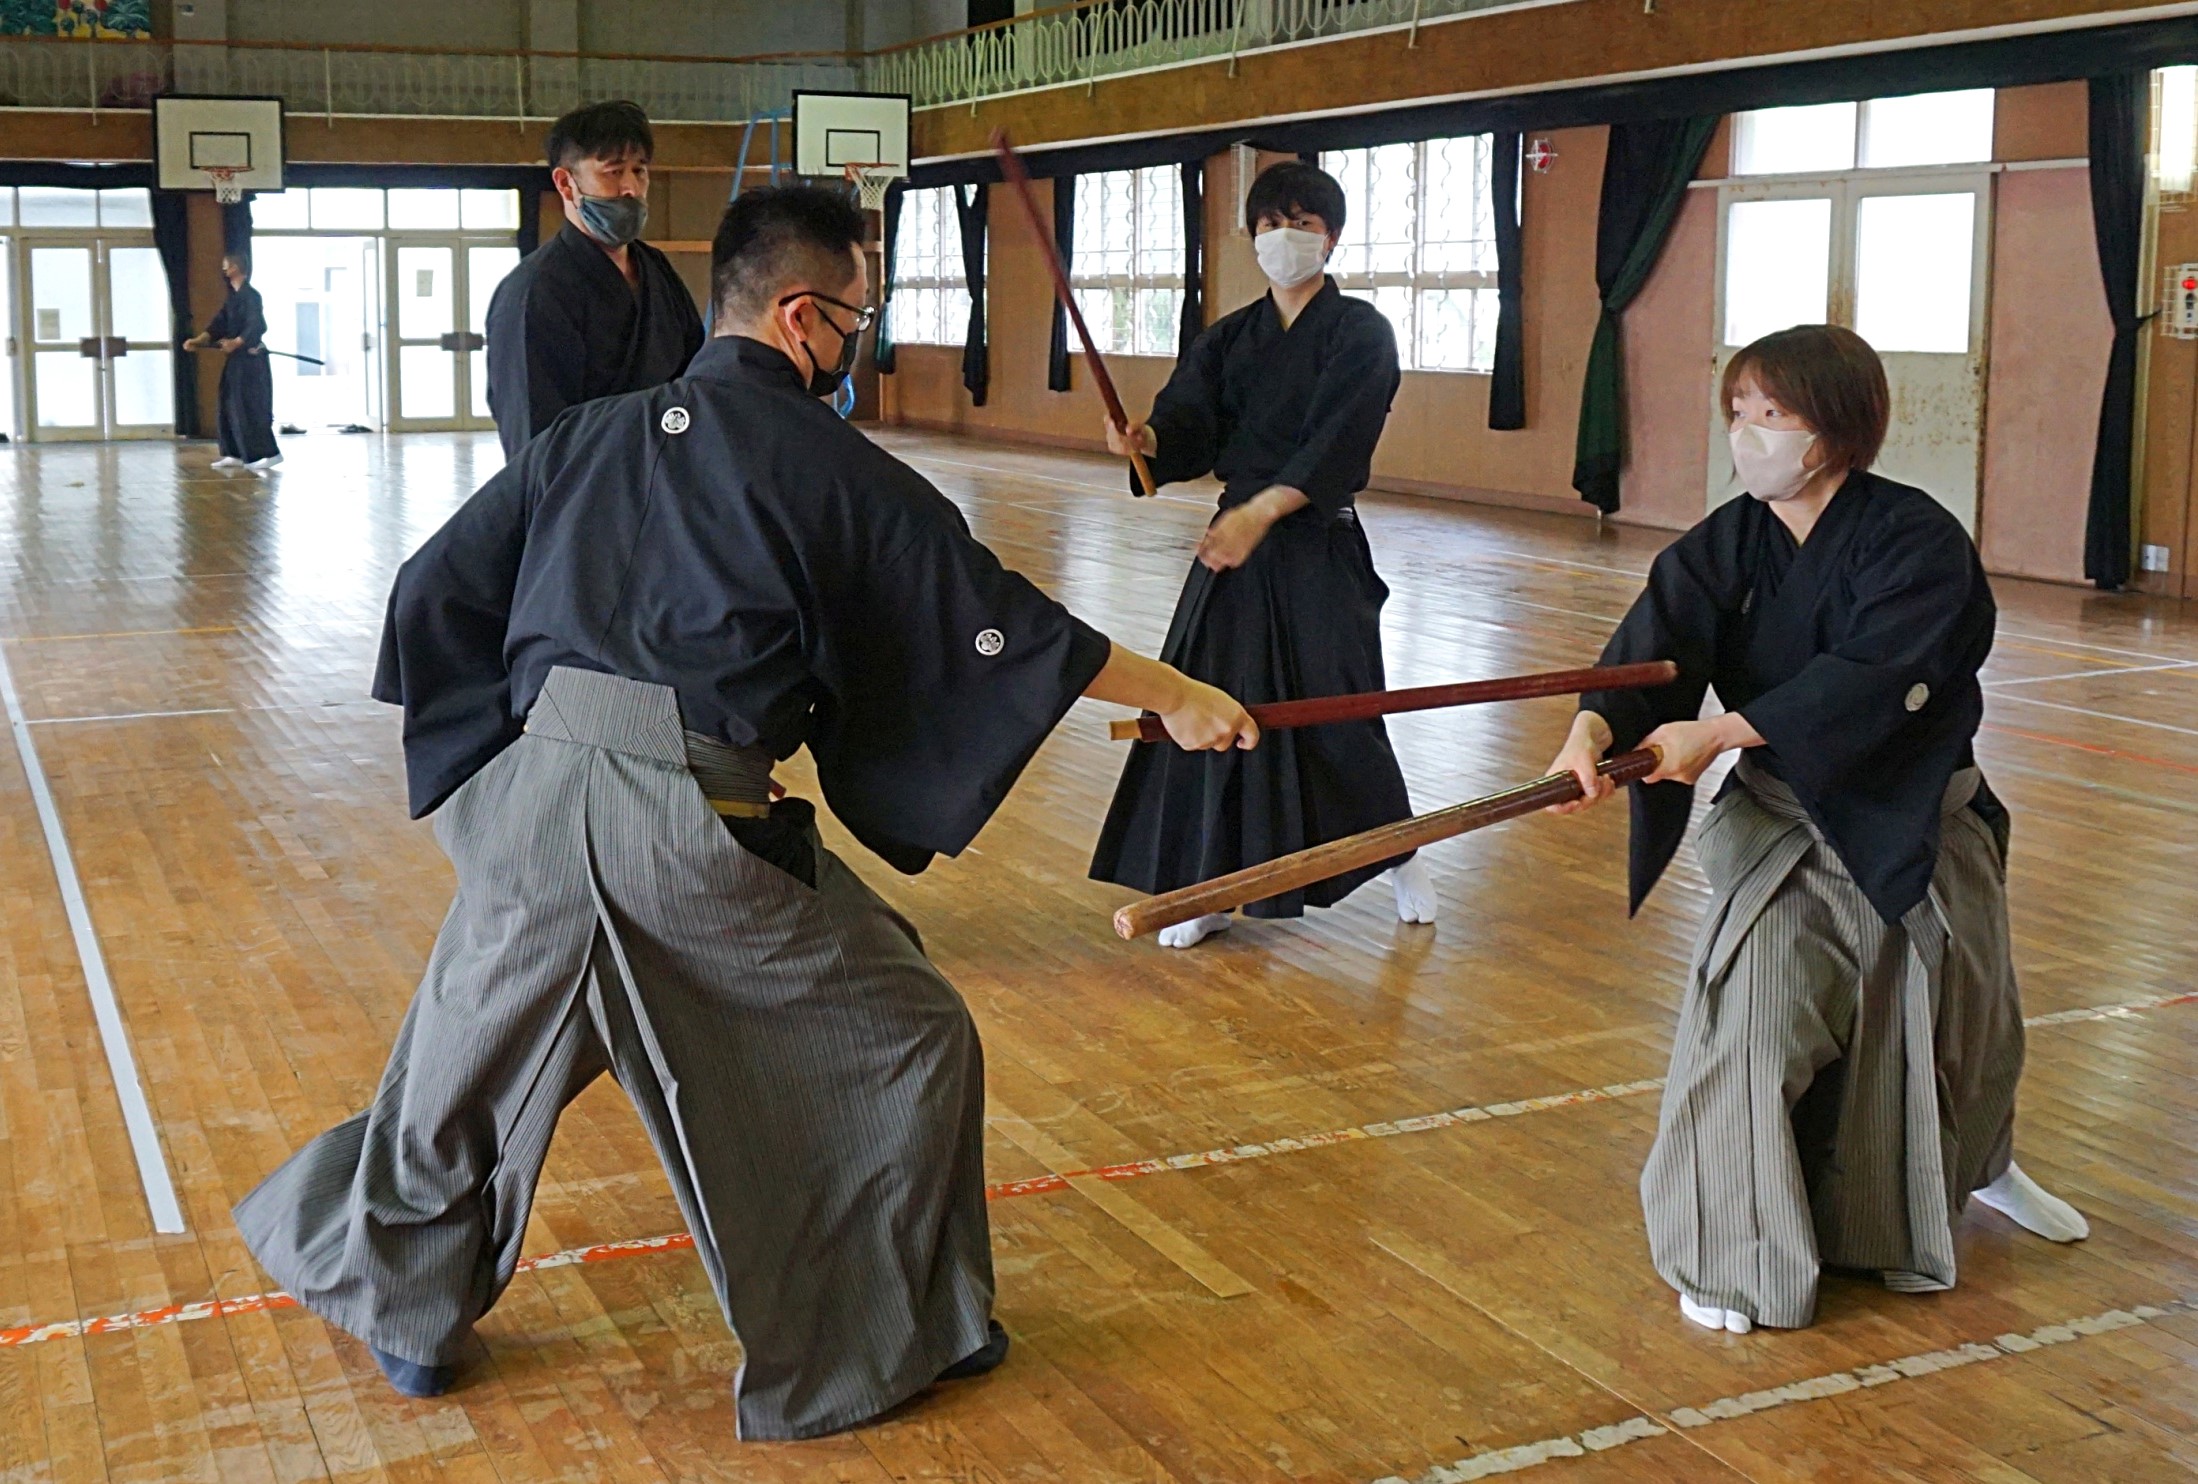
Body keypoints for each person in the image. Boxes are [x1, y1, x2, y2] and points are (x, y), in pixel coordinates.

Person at [231, 185, 1257, 1441]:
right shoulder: (824, 461)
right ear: (800, 315)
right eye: (858, 321)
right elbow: (998, 622)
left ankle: (401, 1309)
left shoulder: (585, 435)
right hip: (685, 826)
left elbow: (433, 586)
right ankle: (895, 1322)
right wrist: (1185, 694)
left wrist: (498, 758)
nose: (860, 346)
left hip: (524, 801)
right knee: (910, 1030)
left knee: (470, 1064)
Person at [1545, 324, 2086, 1336]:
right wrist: (1589, 729)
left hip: (1915, 811)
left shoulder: (1914, 538)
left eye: (1771, 415)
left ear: (1834, 428)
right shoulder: (1732, 536)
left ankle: (1984, 1167)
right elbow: (1651, 646)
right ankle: (1728, 1249)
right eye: (1738, 413)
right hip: (1784, 823)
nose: (1748, 436)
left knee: (1966, 1026)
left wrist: (1716, 731)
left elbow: (1878, 674)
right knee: (1749, 1025)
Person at [1088, 160, 1435, 949]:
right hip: (1232, 550)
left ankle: (1397, 849)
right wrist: (1146, 440)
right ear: (1252, 238)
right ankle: (1213, 883)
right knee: (1206, 709)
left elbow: (1338, 441)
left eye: (1305, 224)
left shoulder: (1361, 332)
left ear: (1332, 238)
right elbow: (1189, 423)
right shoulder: (1229, 338)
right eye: (1272, 224)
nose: (1287, 237)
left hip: (1314, 545)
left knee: (1339, 712)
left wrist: (1265, 511)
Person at [484, 98, 704, 459]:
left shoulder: (657, 270)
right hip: (585, 493)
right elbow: (534, 436)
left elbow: (695, 378)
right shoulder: (535, 292)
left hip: (668, 485)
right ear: (566, 183)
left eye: (640, 170)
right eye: (613, 172)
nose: (631, 188)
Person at [183, 252, 279, 471]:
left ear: (235, 268)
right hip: (237, 361)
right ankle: (233, 453)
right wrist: (197, 341)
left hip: (252, 362)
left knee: (249, 407)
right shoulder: (233, 297)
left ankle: (267, 454)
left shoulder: (252, 296)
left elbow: (257, 325)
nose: (224, 270)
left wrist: (236, 342)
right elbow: (218, 324)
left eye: (226, 266)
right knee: (227, 404)